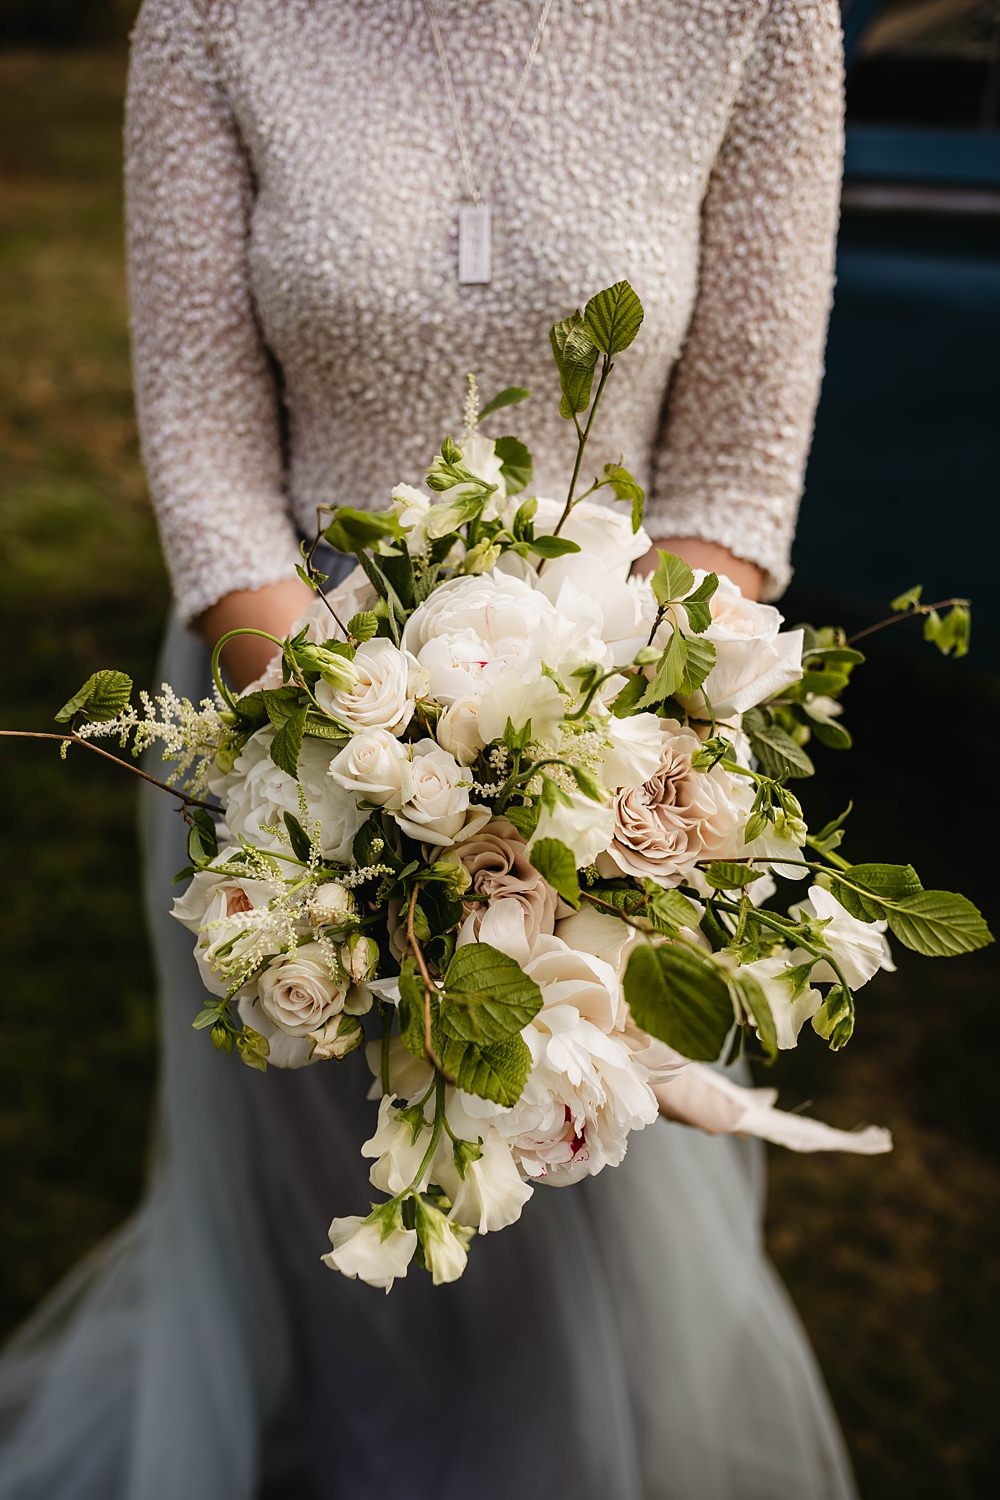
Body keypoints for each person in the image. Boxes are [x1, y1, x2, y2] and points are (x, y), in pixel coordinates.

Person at [0, 2, 859, 1495]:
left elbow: (736, 466)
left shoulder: (761, 18)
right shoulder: (212, 19)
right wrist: (372, 781)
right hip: (287, 751)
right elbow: (206, 456)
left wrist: (569, 769)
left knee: (583, 1213)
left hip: (623, 780)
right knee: (348, 1229)